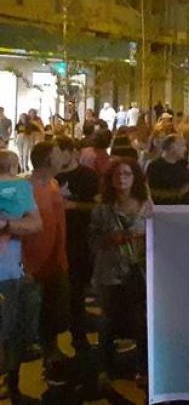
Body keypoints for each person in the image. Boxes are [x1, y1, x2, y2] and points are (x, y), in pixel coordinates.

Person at [89, 157, 150, 391]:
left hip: (140, 272)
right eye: (117, 175)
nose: (122, 179)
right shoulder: (102, 208)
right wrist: (109, 239)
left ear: (135, 178)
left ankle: (142, 368)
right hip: (110, 272)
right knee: (108, 321)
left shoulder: (146, 205)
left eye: (127, 174)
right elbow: (92, 240)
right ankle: (105, 368)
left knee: (142, 321)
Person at [23, 140, 71, 381]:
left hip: (56, 259)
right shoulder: (25, 188)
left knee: (54, 313)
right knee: (31, 318)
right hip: (32, 264)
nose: (64, 156)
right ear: (48, 159)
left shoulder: (52, 184)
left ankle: (51, 355)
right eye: (58, 153)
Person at [0, 149, 42, 402]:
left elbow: (35, 224)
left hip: (9, 272)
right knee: (10, 331)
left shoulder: (19, 188)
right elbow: (35, 224)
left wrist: (6, 225)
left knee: (10, 331)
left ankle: (11, 385)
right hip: (9, 272)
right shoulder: (19, 188)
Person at [55, 137, 100, 353]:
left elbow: (98, 206)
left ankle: (79, 335)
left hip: (81, 239)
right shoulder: (52, 176)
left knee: (77, 288)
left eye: (59, 152)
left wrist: (74, 206)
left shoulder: (88, 176)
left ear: (71, 152)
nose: (56, 157)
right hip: (57, 239)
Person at [146, 134, 189, 205]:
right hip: (164, 207)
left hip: (185, 206)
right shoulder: (155, 166)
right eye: (182, 145)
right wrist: (178, 194)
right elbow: (153, 192)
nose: (185, 149)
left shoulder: (185, 164)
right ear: (172, 146)